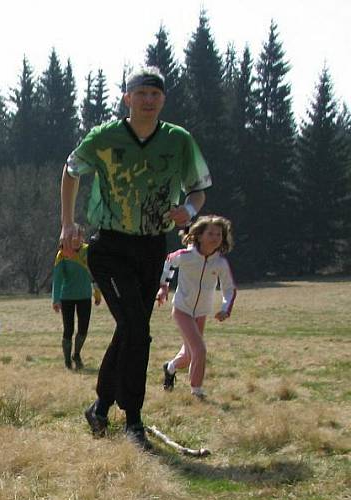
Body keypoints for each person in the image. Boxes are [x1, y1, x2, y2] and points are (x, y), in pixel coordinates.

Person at [59, 65, 212, 449]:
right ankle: (134, 421)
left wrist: (189, 213)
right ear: (127, 98)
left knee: (131, 329)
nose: (148, 100)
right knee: (136, 329)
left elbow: (198, 191)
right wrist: (67, 224)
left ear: (163, 100)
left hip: (150, 247)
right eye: (141, 93)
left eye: (155, 94)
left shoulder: (178, 140)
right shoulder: (106, 137)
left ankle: (100, 406)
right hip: (109, 247)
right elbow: (71, 170)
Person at [156, 216, 236, 399]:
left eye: (219, 234)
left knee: (189, 356)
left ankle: (170, 368)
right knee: (200, 350)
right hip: (182, 309)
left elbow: (229, 288)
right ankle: (196, 391)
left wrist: (225, 308)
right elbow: (169, 261)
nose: (215, 237)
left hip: (201, 313)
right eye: (210, 233)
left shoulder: (220, 263)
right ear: (199, 236)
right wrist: (163, 286)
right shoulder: (186, 256)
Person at [51, 224, 102, 370]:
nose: (76, 239)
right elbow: (58, 278)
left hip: (85, 296)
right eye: (73, 236)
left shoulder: (88, 251)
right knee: (68, 329)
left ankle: (77, 354)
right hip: (67, 297)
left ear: (82, 237)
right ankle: (67, 360)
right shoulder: (62, 254)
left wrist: (97, 293)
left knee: (83, 329)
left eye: (79, 236)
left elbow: (95, 273)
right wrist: (55, 299)